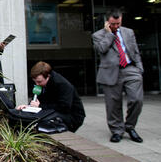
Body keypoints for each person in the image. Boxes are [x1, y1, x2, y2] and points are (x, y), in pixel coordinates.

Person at [92, 8, 144, 143]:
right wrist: (110, 34)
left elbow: (135, 50)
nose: (116, 26)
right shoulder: (98, 35)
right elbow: (101, 49)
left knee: (136, 99)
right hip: (110, 72)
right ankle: (116, 130)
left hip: (130, 69)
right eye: (113, 24)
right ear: (107, 22)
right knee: (113, 104)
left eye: (118, 24)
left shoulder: (129, 32)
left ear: (121, 20)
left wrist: (139, 68)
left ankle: (130, 126)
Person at [16, 61, 85, 133]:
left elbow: (64, 107)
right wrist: (28, 107)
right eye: (35, 81)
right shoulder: (42, 83)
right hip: (57, 110)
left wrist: (40, 106)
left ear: (48, 77)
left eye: (39, 82)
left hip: (72, 116)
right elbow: (37, 102)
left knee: (45, 120)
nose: (37, 84)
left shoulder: (63, 85)